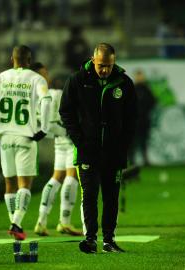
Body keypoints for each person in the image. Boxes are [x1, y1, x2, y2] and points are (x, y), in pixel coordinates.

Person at [59, 43, 137, 253]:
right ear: (93, 60)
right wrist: (79, 140)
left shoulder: (124, 83)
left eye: (109, 66)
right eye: (101, 65)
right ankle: (90, 238)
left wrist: (123, 145)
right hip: (87, 150)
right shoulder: (77, 80)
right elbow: (65, 111)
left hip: (114, 152)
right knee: (90, 195)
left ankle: (109, 240)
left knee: (111, 197)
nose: (105, 70)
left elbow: (132, 118)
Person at [0, 45, 51, 240]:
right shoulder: (36, 79)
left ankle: (14, 224)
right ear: (29, 60)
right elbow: (47, 102)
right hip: (26, 136)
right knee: (25, 184)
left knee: (9, 184)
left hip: (4, 138)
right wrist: (44, 129)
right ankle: (16, 223)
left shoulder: (0, 78)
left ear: (12, 59)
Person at [30, 62, 82, 236]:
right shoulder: (54, 94)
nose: (47, 77)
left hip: (57, 140)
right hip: (68, 138)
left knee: (56, 177)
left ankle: (41, 221)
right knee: (72, 176)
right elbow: (70, 115)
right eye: (44, 74)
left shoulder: (31, 98)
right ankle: (65, 222)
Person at [130, 69, 156, 165]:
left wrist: (145, 111)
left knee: (144, 141)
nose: (140, 78)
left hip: (144, 120)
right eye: (138, 76)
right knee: (132, 142)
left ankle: (145, 160)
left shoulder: (147, 89)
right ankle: (132, 160)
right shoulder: (131, 89)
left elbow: (153, 101)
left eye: (141, 76)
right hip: (134, 120)